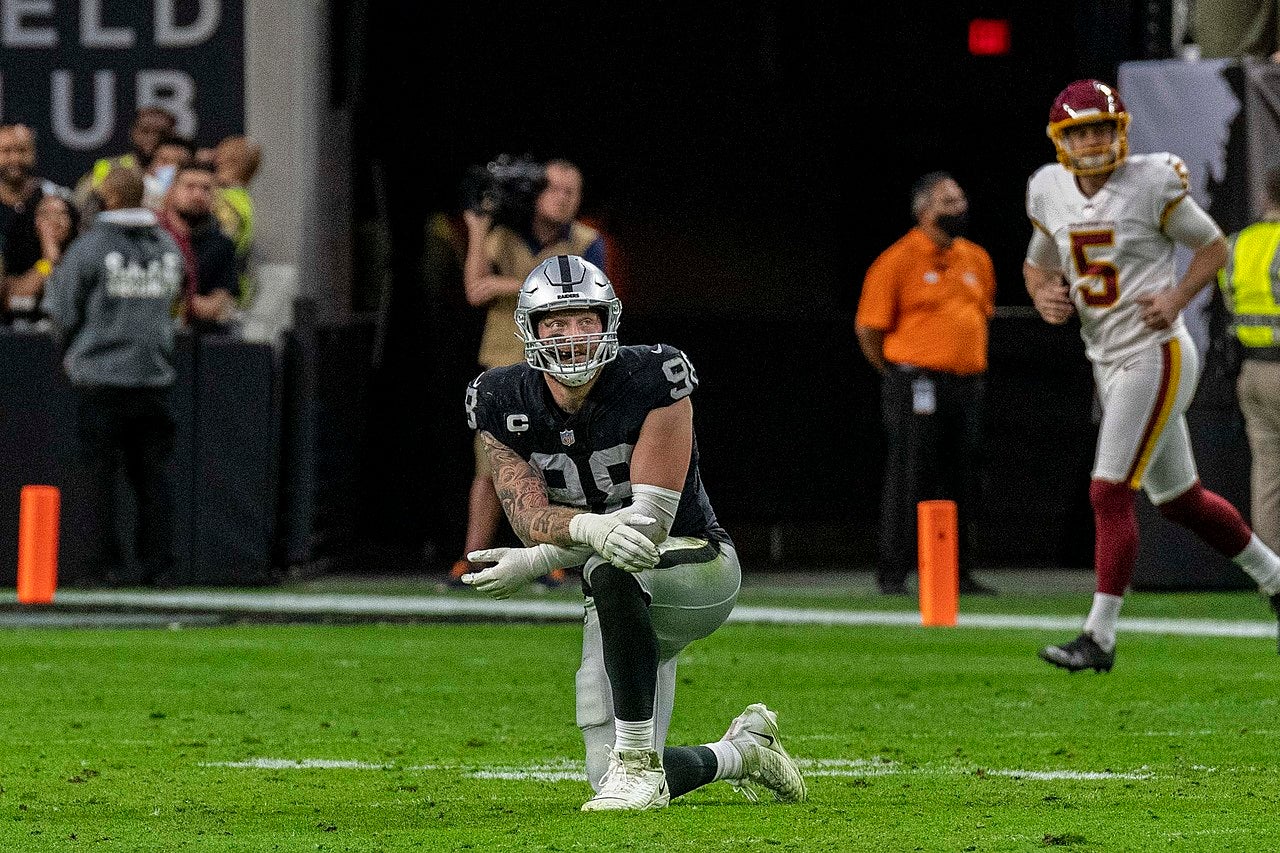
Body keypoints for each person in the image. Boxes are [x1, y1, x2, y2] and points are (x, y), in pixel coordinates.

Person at [460, 255, 806, 811]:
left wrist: (549, 553)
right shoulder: (501, 399)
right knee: (605, 774)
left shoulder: (654, 377)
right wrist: (557, 543)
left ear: (609, 322)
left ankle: (642, 765)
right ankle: (744, 752)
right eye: (555, 322)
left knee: (611, 565)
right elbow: (527, 514)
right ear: (529, 328)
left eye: (584, 320)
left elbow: (648, 527)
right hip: (616, 581)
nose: (571, 337)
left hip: (695, 565)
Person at [1023, 78, 1280, 673]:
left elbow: (1213, 246)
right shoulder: (1049, 189)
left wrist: (1178, 297)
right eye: (1081, 131)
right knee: (1182, 501)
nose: (1093, 142)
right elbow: (1037, 266)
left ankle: (1100, 636)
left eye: (1102, 129)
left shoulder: (1151, 181)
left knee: (1108, 489)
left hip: (1156, 350)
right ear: (1063, 140)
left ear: (1121, 131)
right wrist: (1043, 296)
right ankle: (1275, 580)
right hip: (1106, 359)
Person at [448, 158, 608, 589]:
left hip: (562, 368)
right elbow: (476, 289)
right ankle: (472, 558)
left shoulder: (586, 242)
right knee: (488, 467)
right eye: (556, 189)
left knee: (555, 465)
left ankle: (550, 558)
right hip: (504, 363)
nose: (564, 198)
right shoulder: (505, 236)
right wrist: (479, 230)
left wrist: (515, 286)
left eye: (572, 191)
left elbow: (595, 300)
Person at [854, 171, 999, 597]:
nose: (958, 209)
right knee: (910, 472)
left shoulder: (976, 258)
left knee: (963, 475)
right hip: (914, 381)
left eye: (960, 200)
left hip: (966, 383)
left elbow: (981, 313)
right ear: (923, 211)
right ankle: (893, 573)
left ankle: (959, 573)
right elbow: (868, 330)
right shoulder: (896, 260)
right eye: (947, 202)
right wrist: (898, 371)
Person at [40, 166, 185, 588]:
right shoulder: (166, 246)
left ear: (107, 197)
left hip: (101, 378)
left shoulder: (89, 248)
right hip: (154, 377)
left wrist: (72, 352)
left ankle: (104, 567)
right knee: (153, 478)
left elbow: (62, 310)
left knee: (100, 479)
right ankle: (159, 567)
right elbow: (176, 303)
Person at [1218, 164, 1280, 564]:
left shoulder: (1236, 244)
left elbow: (1228, 304)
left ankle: (1273, 577)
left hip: (1252, 372)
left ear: (1265, 197)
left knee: (1269, 478)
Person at [0, 124, 74, 325]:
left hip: (52, 318)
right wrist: (46, 265)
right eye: (6, 151)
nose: (15, 158)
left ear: (33, 153)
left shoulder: (58, 201)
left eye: (22, 151)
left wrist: (48, 265)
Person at [160, 162, 239, 333]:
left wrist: (178, 303)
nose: (197, 195)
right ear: (171, 191)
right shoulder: (152, 238)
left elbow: (219, 304)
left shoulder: (222, 245)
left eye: (206, 189)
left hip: (202, 341)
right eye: (189, 187)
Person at [72, 106, 177, 222]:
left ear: (172, 135)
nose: (152, 138)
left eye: (161, 133)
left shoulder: (181, 171)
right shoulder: (108, 167)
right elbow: (80, 203)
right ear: (134, 132)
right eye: (145, 131)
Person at [2, 191, 79, 327]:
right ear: (34, 220)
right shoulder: (17, 253)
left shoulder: (84, 252)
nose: (54, 220)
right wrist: (48, 261)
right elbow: (14, 297)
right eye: (45, 214)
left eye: (61, 213)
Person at [210, 135, 262, 307]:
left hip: (222, 289)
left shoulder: (227, 201)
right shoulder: (242, 197)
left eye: (220, 153)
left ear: (231, 160)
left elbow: (221, 243)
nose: (214, 156)